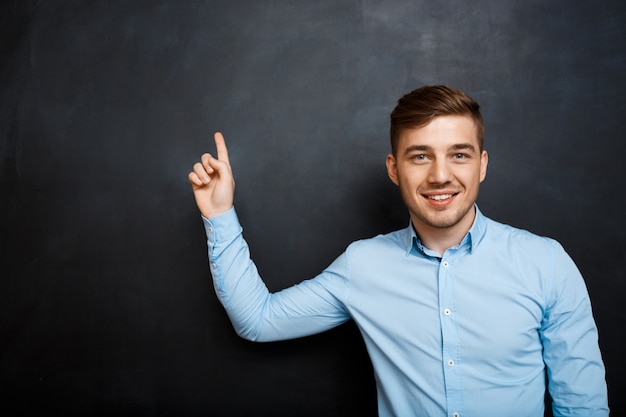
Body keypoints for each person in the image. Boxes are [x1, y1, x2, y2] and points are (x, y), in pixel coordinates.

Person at [188, 85, 609, 417]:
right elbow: (260, 321)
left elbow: (583, 406)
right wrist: (220, 214)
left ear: (481, 164)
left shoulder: (546, 262)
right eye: (420, 156)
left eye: (458, 155)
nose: (440, 175)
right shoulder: (363, 265)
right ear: (394, 168)